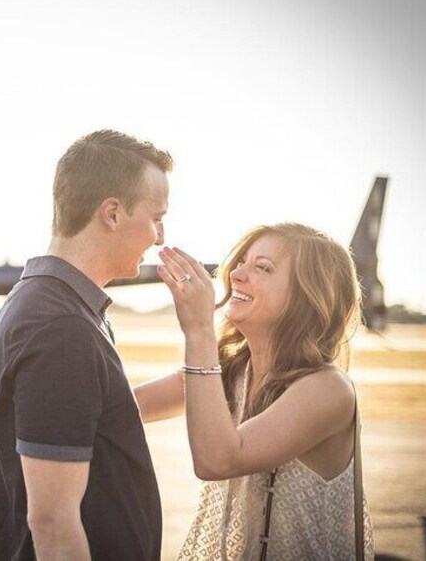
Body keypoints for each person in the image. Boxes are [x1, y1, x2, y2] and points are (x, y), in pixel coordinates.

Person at [0, 129, 172, 560]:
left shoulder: (52, 305)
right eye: (156, 217)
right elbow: (52, 523)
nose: (159, 236)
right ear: (113, 213)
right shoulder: (60, 328)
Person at [135, 223, 374, 559]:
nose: (236, 274)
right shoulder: (232, 371)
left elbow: (218, 461)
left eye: (262, 268)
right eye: (241, 262)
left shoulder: (329, 389)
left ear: (308, 294)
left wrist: (199, 330)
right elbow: (122, 407)